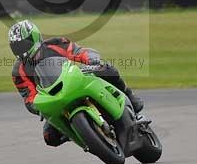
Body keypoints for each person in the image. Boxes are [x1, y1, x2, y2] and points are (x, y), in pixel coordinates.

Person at [9, 19, 144, 147]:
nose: (21, 50)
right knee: (49, 137)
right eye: (17, 47)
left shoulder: (56, 44)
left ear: (34, 37)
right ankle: (82, 133)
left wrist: (91, 59)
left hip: (75, 80)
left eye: (23, 45)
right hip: (54, 99)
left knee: (108, 69)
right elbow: (29, 97)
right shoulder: (18, 71)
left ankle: (130, 98)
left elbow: (79, 52)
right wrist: (38, 108)